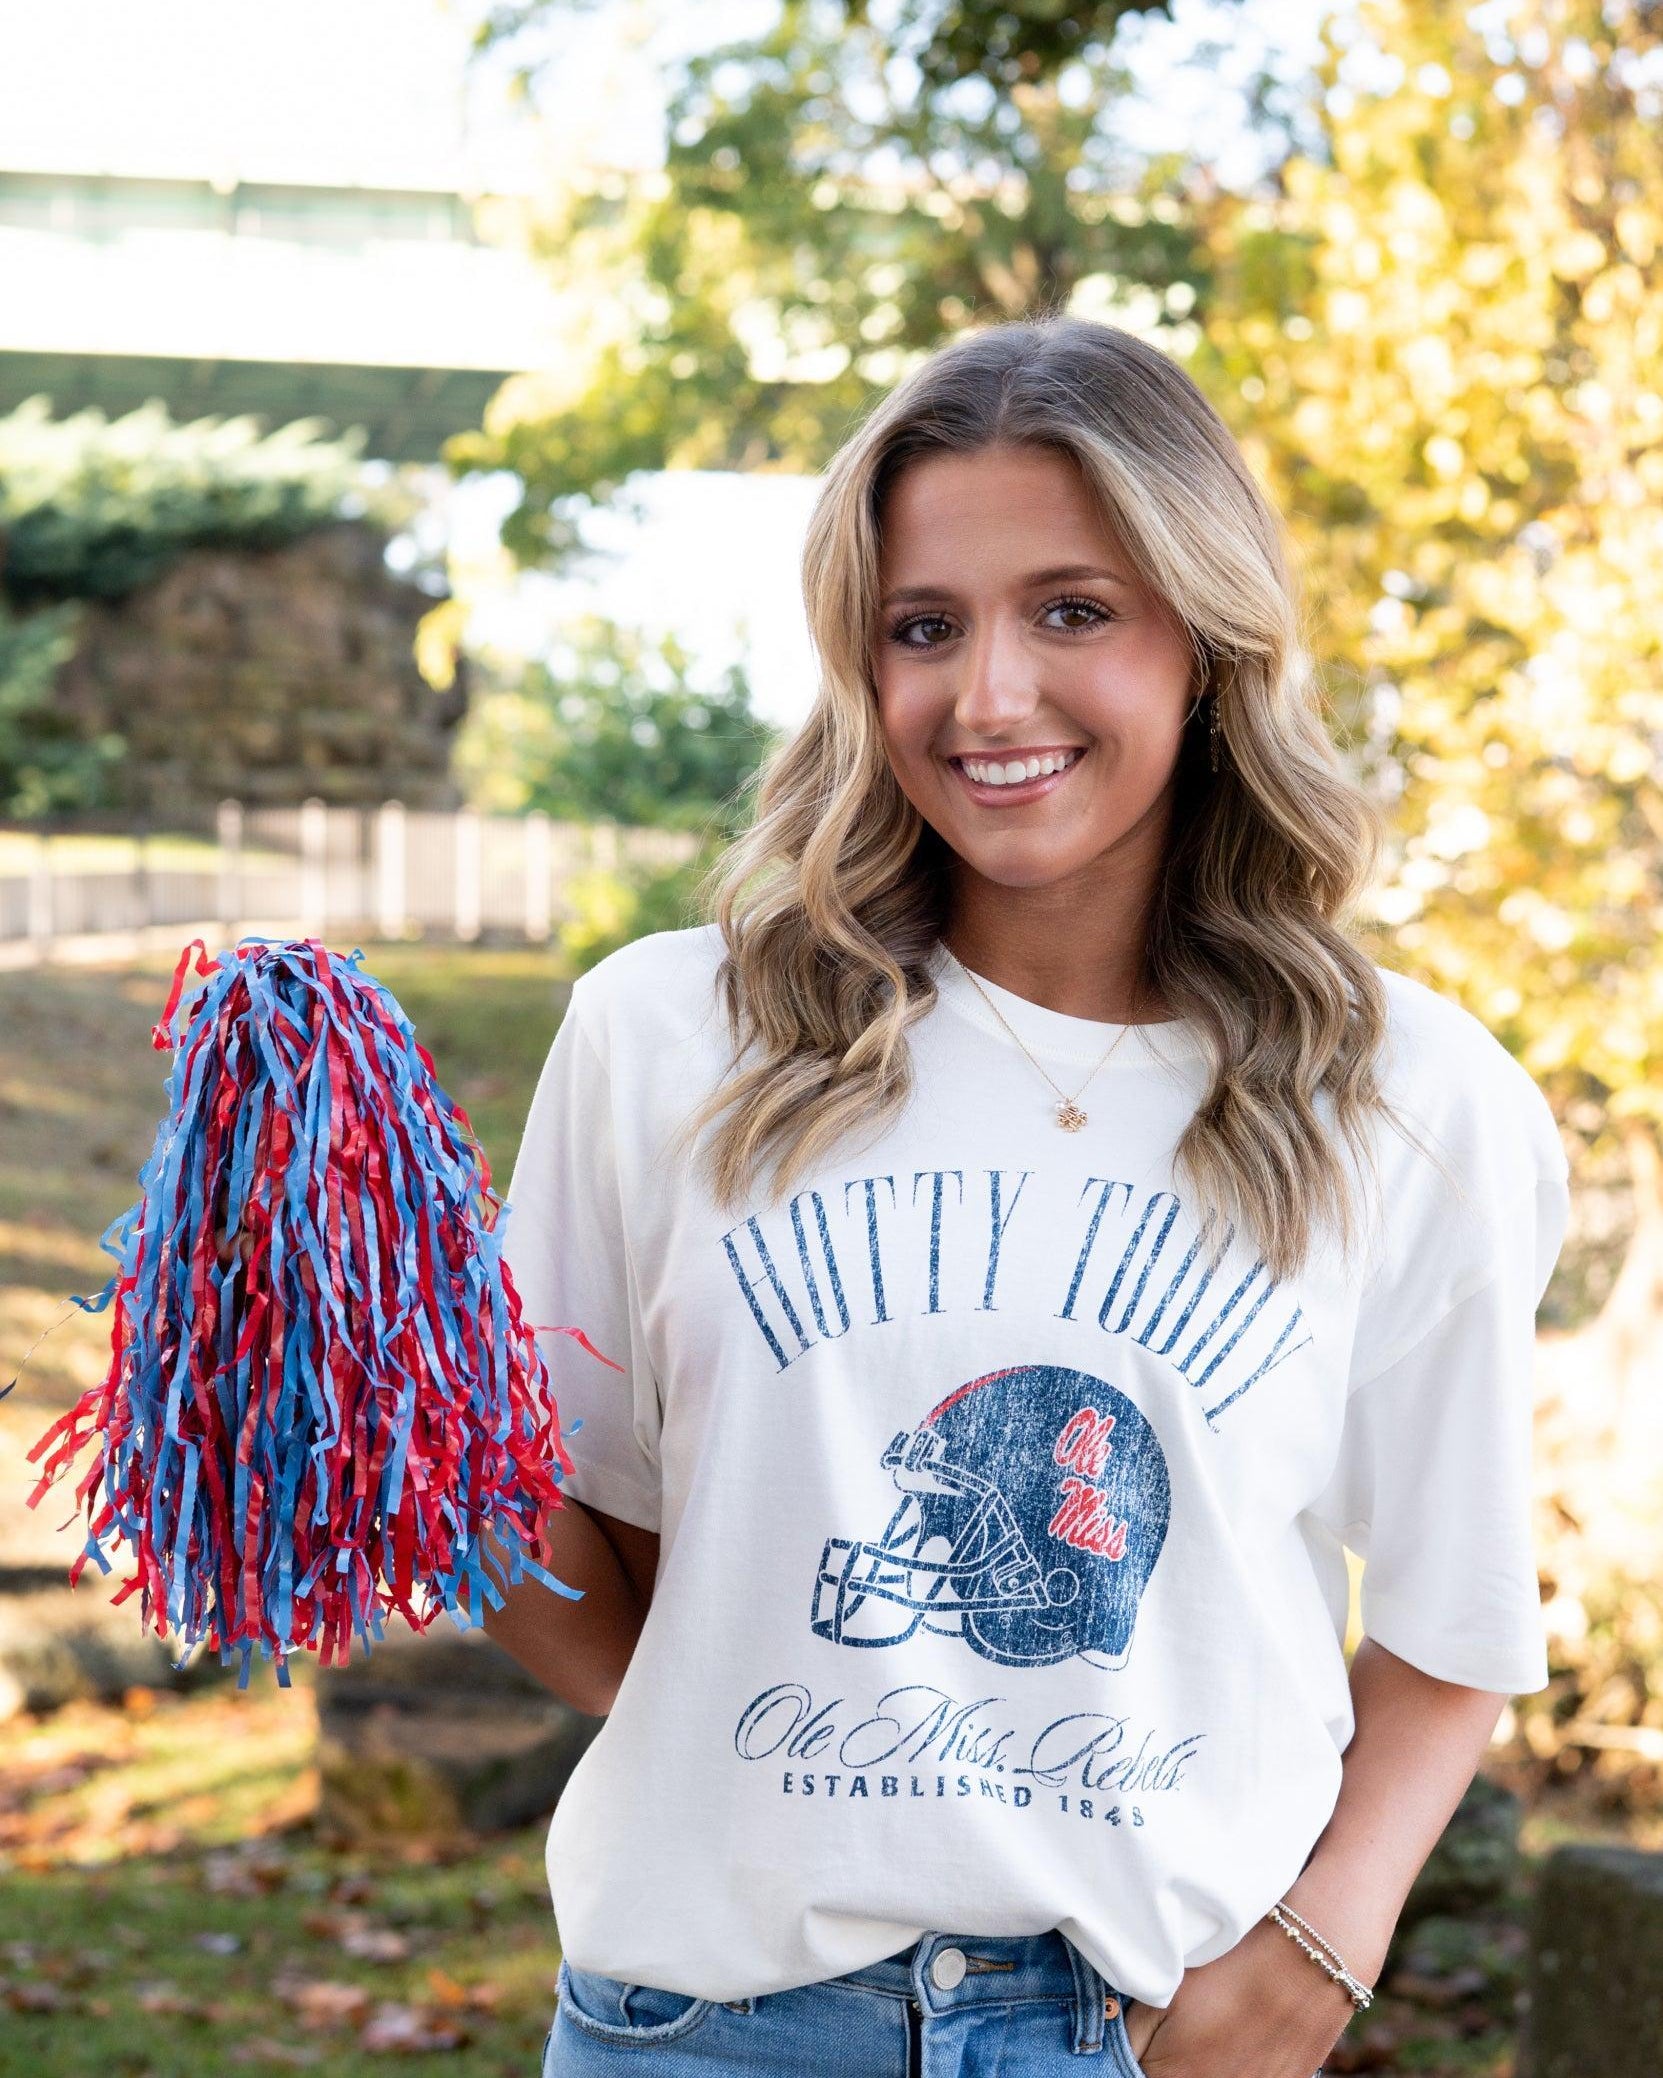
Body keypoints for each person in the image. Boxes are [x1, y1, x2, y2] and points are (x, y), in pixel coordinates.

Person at [485, 313, 1569, 2078]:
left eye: (1073, 609)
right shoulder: (668, 1041)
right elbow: (614, 1627)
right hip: (706, 2033)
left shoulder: (1409, 1098)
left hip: (1149, 2032)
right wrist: (385, 1439)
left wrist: (1317, 1956)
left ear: (1206, 645)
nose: (988, 696)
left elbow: (1457, 1622)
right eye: (926, 626)